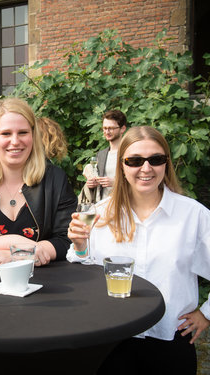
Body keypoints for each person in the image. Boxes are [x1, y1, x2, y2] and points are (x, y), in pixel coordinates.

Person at [66, 126, 210, 374]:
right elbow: (83, 268)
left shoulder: (192, 215)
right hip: (111, 339)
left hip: (169, 338)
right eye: (135, 160)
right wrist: (79, 246)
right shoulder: (100, 213)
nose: (146, 168)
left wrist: (206, 314)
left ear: (166, 163)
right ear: (122, 165)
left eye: (155, 159)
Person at [0, 97, 77, 269]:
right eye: (6, 133)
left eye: (23, 133)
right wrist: (17, 241)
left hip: (45, 285)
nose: (15, 141)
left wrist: (16, 255)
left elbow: (68, 239)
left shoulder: (55, 180)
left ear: (33, 136)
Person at [83, 109, 127, 202]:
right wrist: (91, 184)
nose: (107, 132)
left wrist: (116, 183)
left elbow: (139, 182)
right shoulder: (101, 155)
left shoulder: (130, 152)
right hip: (103, 207)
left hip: (125, 205)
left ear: (122, 129)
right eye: (105, 128)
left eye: (111, 128)